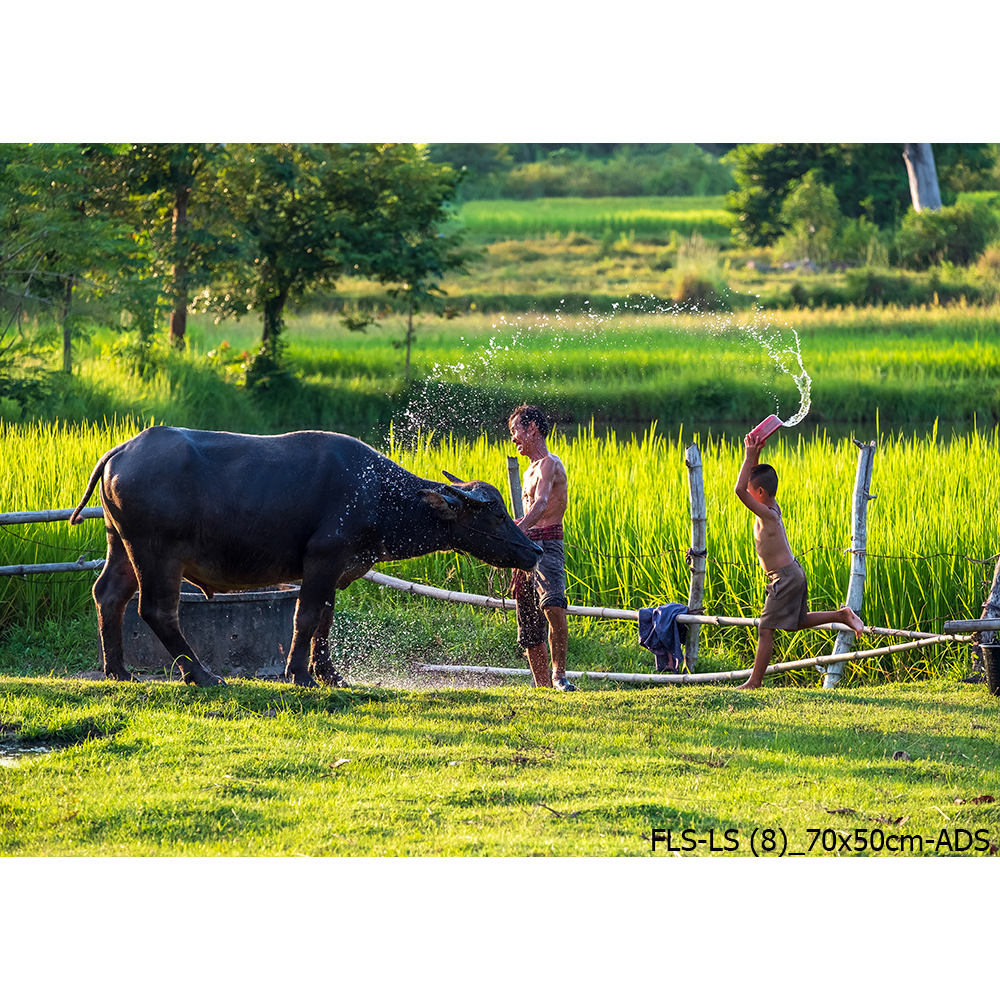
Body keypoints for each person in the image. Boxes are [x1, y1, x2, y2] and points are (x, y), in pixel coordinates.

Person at [734, 428, 864, 690]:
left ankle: (754, 682)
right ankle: (841, 615)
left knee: (765, 629)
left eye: (752, 491)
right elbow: (753, 484)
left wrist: (748, 455)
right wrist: (756, 453)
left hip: (784, 576)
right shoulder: (772, 507)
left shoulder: (768, 515)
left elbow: (739, 490)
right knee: (797, 622)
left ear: (758, 493)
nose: (748, 495)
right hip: (791, 573)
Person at [508, 404, 575, 691]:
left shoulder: (550, 463)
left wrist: (515, 532)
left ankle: (560, 675)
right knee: (527, 616)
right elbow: (527, 514)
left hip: (547, 542)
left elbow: (542, 504)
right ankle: (543, 686)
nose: (514, 438)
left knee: (553, 605)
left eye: (516, 431)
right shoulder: (526, 473)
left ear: (532, 427)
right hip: (527, 544)